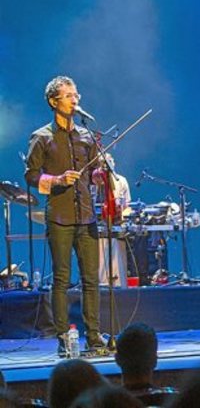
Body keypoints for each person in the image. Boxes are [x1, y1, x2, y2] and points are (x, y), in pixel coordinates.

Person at [25, 76, 106, 355]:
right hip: (59, 216)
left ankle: (94, 337)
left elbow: (93, 176)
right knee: (61, 278)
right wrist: (57, 180)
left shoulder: (86, 136)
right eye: (69, 95)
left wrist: (99, 174)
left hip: (87, 216)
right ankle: (63, 339)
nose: (75, 100)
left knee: (91, 280)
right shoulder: (41, 137)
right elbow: (31, 176)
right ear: (53, 101)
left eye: (76, 95)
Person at [97, 153, 131, 288]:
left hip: (117, 224)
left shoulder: (121, 180)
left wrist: (121, 211)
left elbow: (127, 204)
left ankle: (120, 284)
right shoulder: (95, 181)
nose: (107, 164)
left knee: (118, 260)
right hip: (98, 225)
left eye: (109, 161)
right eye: (103, 163)